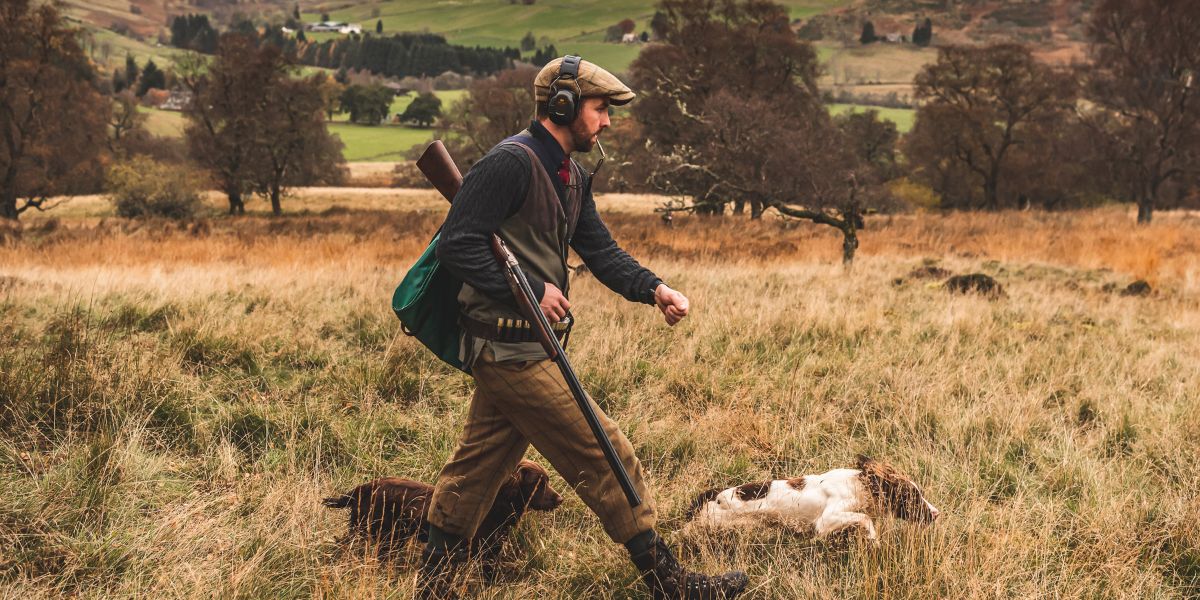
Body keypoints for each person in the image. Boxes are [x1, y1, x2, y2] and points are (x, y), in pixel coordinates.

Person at [417, 56, 750, 599]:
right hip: (507, 350)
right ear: (563, 106)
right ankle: (670, 586)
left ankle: (433, 587)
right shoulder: (509, 163)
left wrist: (654, 289)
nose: (608, 121)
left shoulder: (569, 174)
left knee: (476, 469)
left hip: (527, 345)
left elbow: (599, 249)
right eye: (599, 109)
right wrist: (524, 286)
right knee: (607, 451)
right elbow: (458, 244)